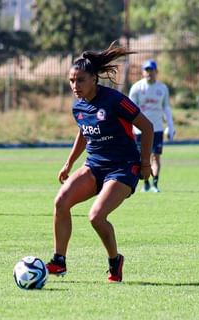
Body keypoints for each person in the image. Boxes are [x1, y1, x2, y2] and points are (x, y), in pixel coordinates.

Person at [45, 43, 154, 282]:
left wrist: (145, 164)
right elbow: (84, 132)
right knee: (61, 202)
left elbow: (147, 127)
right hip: (94, 165)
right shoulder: (78, 106)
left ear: (94, 78)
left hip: (124, 167)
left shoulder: (115, 100)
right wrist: (69, 163)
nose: (75, 86)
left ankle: (115, 261)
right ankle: (59, 261)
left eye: (80, 80)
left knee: (95, 217)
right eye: (72, 81)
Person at [129, 59, 175, 193]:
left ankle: (155, 184)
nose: (149, 73)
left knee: (156, 156)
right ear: (143, 72)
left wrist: (170, 126)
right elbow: (129, 110)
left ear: (156, 72)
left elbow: (166, 107)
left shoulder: (162, 88)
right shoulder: (137, 88)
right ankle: (146, 183)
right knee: (143, 157)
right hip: (140, 130)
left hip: (157, 129)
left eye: (152, 70)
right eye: (147, 70)